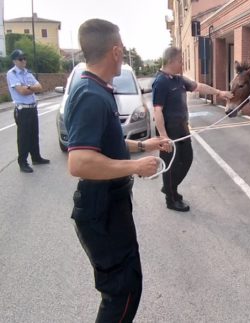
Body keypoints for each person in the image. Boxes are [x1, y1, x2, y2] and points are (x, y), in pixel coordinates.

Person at [65, 19, 170, 322]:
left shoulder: (97, 89)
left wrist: (142, 146)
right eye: (122, 49)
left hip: (110, 208)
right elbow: (80, 162)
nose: (123, 54)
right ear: (114, 51)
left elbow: (106, 145)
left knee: (126, 287)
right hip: (103, 211)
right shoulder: (89, 94)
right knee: (121, 294)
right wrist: (136, 166)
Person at [152, 46, 232, 212]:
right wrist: (163, 136)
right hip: (170, 131)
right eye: (181, 61)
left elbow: (199, 86)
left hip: (182, 128)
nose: (182, 64)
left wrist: (219, 92)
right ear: (171, 61)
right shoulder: (160, 82)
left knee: (186, 160)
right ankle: (171, 199)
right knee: (172, 165)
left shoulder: (178, 79)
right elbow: (157, 110)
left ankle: (169, 187)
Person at [6, 49, 50, 173]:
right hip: (22, 110)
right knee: (23, 138)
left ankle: (36, 157)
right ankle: (23, 162)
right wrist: (31, 88)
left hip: (32, 108)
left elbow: (40, 87)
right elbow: (22, 91)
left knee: (33, 135)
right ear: (15, 61)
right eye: (20, 59)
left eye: (24, 58)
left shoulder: (27, 73)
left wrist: (29, 87)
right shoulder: (12, 73)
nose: (24, 60)